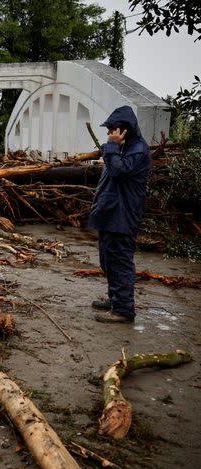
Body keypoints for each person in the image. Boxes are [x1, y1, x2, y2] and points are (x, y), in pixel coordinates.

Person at [87, 105, 152, 323]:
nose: (109, 134)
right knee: (108, 260)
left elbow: (118, 171)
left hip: (122, 217)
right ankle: (116, 299)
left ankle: (123, 309)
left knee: (120, 261)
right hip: (110, 215)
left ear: (124, 130)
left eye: (112, 130)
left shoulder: (138, 150)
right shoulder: (124, 148)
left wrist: (111, 147)